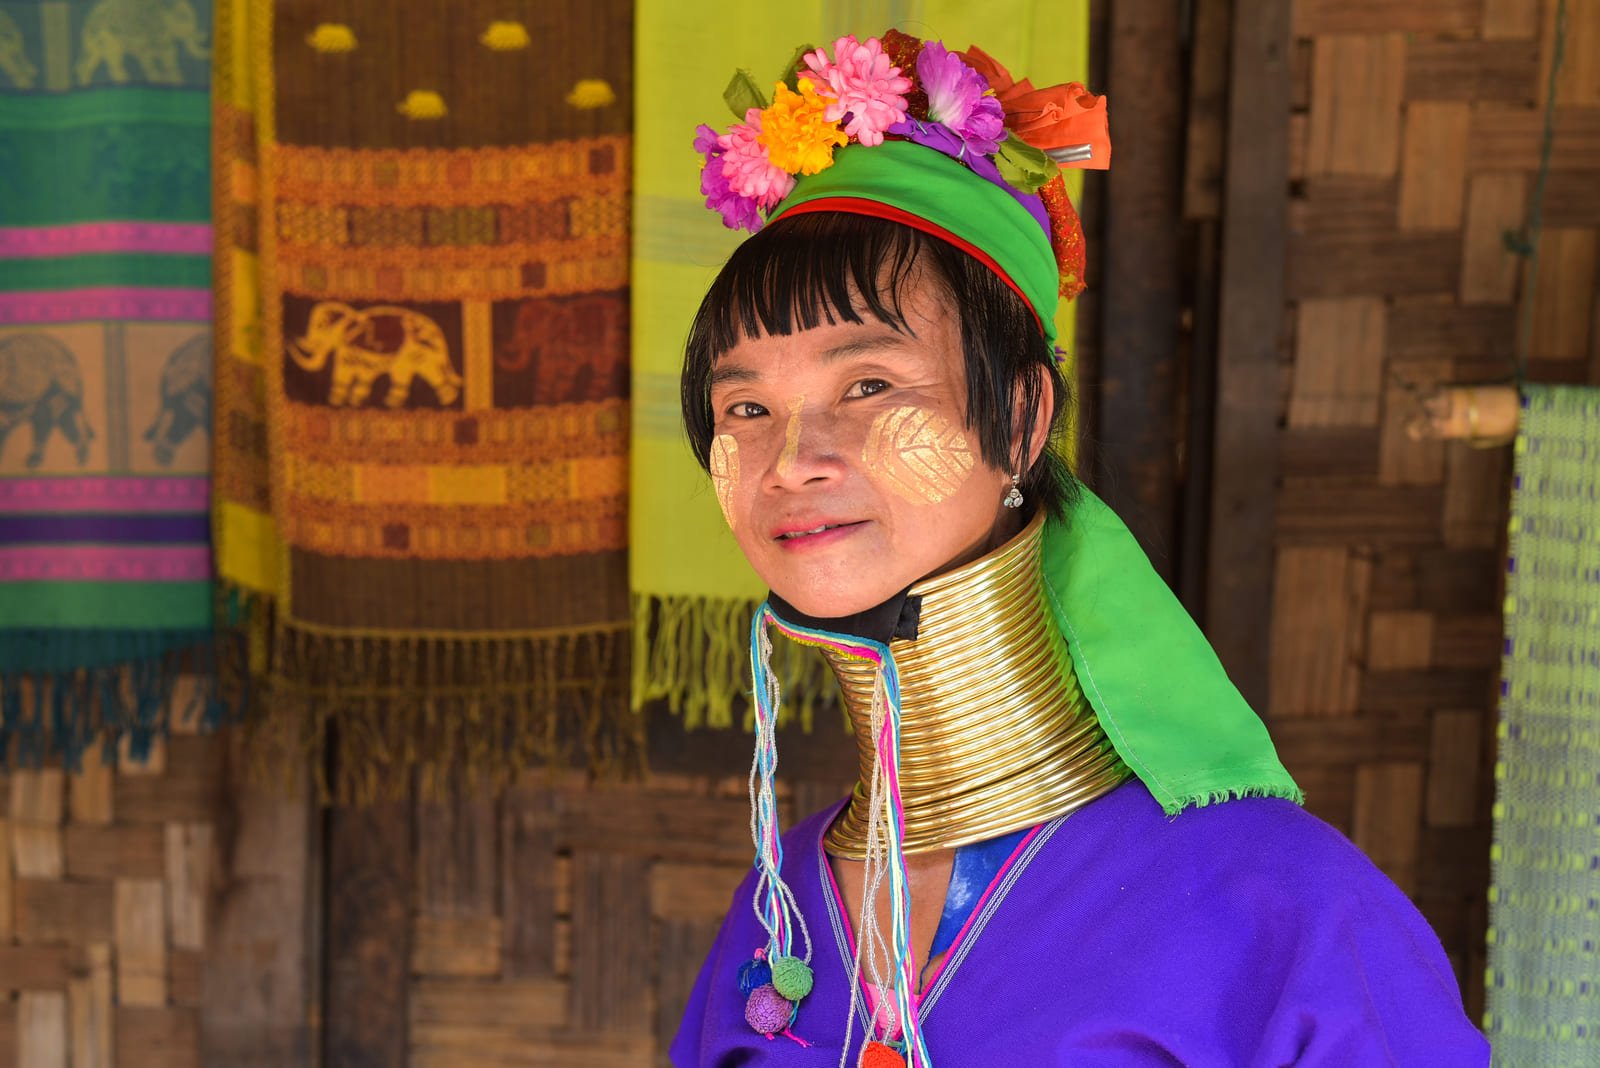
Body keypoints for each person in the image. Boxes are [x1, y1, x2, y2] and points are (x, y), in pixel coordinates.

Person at [670, 30, 1489, 1067]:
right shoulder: (774, 917)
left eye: (868, 386)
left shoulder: (1278, 904)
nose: (790, 459)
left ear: (1019, 417)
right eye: (743, 406)